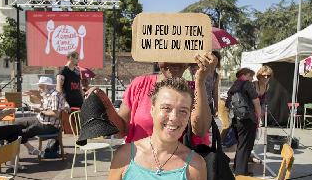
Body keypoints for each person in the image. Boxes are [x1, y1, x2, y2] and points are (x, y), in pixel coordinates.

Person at [98, 78, 207, 180]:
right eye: (166, 108)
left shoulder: (195, 165)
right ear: (152, 110)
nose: (174, 118)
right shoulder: (125, 156)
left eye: (183, 111)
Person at [87, 52, 217, 144]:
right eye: (167, 55)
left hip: (183, 171)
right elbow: (121, 131)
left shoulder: (195, 89)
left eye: (179, 55)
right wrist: (105, 103)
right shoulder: (139, 84)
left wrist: (200, 81)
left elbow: (200, 130)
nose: (174, 62)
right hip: (140, 166)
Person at [16, 76, 66, 155]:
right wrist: (32, 96)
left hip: (50, 125)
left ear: (46, 85)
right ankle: (29, 148)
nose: (39, 89)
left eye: (40, 86)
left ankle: (18, 153)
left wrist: (40, 110)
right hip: (41, 120)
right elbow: (41, 104)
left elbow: (55, 114)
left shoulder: (54, 95)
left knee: (22, 132)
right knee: (17, 123)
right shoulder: (48, 94)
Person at [225, 68, 261, 175]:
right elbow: (256, 101)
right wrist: (259, 117)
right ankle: (241, 172)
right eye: (251, 76)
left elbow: (228, 103)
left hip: (237, 119)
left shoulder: (234, 85)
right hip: (248, 119)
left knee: (241, 145)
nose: (252, 78)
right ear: (245, 75)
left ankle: (238, 168)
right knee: (246, 146)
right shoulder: (247, 84)